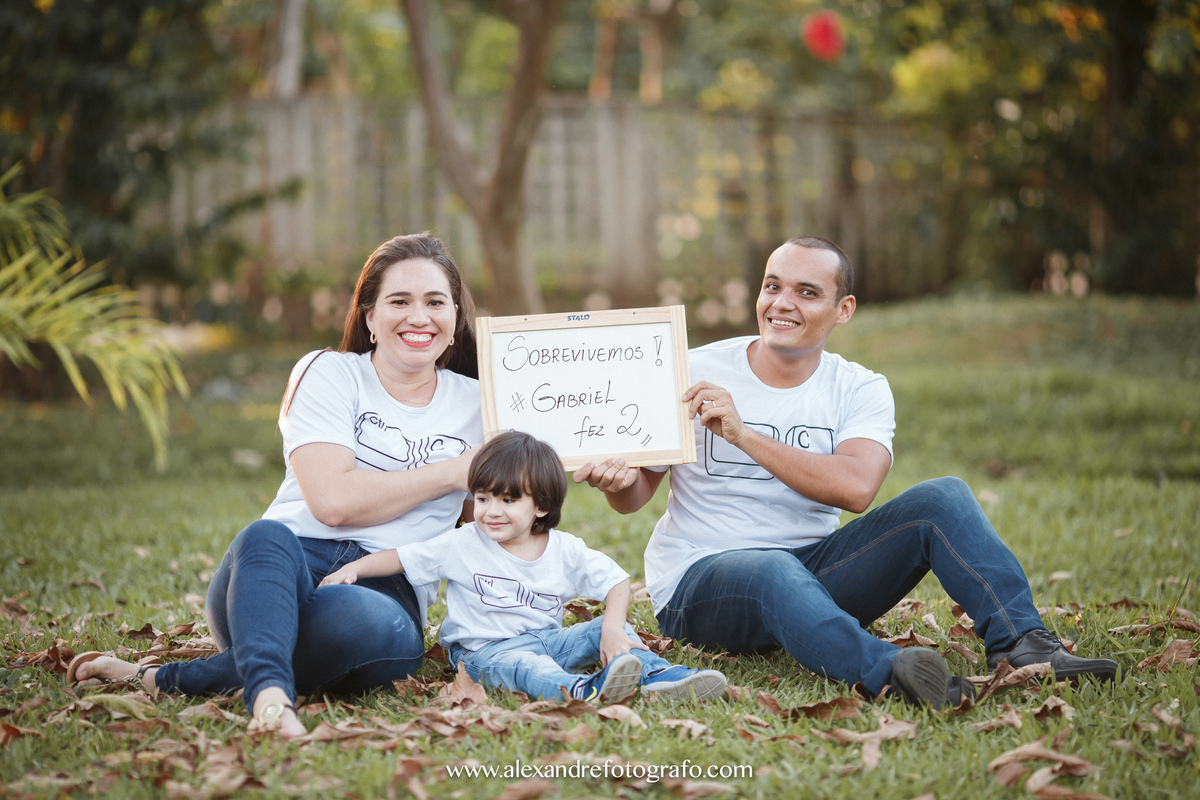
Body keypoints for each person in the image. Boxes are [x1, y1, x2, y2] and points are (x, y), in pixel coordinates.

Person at [574, 235, 1119, 710]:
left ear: (844, 309)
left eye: (807, 292)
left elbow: (857, 489)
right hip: (698, 583)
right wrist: (619, 483)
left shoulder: (859, 388)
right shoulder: (693, 367)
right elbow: (635, 496)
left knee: (944, 498)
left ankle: (1026, 646)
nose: (782, 303)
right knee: (769, 568)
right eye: (772, 286)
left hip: (816, 573)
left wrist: (744, 435)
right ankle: (893, 675)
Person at [66, 232, 484, 737]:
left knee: (358, 621)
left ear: (455, 317)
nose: (419, 317)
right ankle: (270, 697)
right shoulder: (328, 373)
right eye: (399, 301)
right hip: (278, 565)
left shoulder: (484, 406)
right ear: (370, 317)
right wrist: (453, 471)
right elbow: (332, 502)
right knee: (265, 535)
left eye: (435, 302)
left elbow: (511, 515)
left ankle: (169, 679)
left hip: (386, 590)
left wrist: (603, 483)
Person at [321, 430, 728, 705]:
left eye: (508, 500)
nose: (490, 511)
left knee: (609, 630)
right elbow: (402, 557)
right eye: (483, 499)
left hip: (548, 640)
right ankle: (584, 690)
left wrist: (610, 628)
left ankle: (661, 677)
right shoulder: (463, 543)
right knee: (528, 667)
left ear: (542, 506)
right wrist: (354, 570)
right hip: (484, 653)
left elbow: (617, 583)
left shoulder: (564, 549)